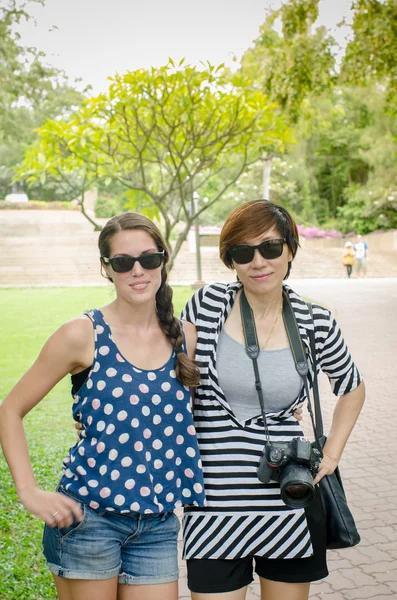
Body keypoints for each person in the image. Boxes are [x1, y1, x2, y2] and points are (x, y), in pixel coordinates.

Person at [0, 212, 206, 600]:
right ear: (106, 269)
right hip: (88, 521)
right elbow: (9, 410)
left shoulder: (185, 337)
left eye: (149, 258)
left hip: (158, 526)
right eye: (123, 262)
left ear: (163, 260)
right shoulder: (82, 334)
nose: (138, 271)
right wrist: (28, 491)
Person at [181, 200, 365, 600]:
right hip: (214, 502)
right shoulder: (207, 305)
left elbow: (352, 386)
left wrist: (331, 454)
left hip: (290, 497)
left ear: (290, 250)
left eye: (270, 247)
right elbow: (173, 375)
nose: (258, 262)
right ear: (231, 259)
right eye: (243, 252)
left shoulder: (315, 321)